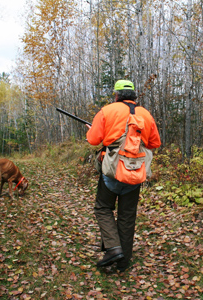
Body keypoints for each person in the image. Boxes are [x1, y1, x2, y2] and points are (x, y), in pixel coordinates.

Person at [86, 79, 161, 272]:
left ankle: (113, 248)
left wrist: (97, 132)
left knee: (103, 208)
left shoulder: (107, 111)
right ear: (133, 95)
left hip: (111, 173)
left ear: (117, 95)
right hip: (136, 174)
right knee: (127, 217)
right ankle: (123, 263)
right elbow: (154, 144)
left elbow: (93, 140)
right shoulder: (146, 114)